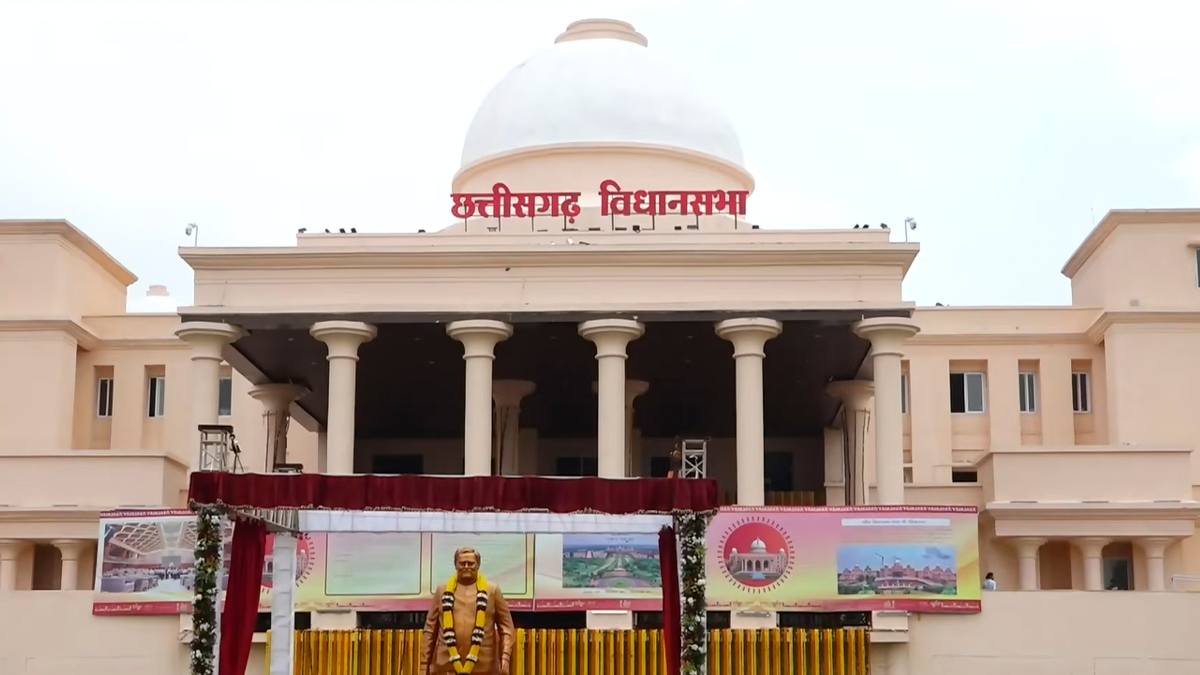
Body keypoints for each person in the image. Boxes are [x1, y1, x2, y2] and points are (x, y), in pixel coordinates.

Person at [422, 547, 514, 675]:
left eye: (470, 563)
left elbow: (507, 628)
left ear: (478, 565)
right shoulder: (442, 591)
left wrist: (505, 658)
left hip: (483, 667)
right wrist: (424, 665)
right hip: (446, 666)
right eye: (462, 563)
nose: (466, 566)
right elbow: (430, 630)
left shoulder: (492, 591)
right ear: (455, 565)